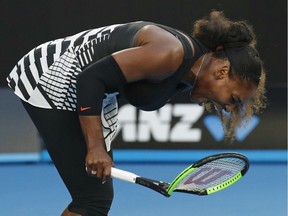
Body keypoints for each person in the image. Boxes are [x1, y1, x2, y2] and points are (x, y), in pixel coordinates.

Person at [7, 11, 266, 216]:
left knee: (94, 199)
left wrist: (98, 141)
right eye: (232, 98)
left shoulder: (188, 74)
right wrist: (95, 146)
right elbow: (89, 79)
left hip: (88, 91)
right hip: (50, 75)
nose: (229, 108)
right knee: (92, 200)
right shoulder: (169, 53)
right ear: (221, 72)